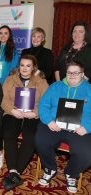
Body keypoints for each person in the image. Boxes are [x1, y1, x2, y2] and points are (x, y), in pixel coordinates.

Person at [35, 61, 91, 193]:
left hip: (79, 128)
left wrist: (87, 127)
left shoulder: (89, 89)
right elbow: (43, 105)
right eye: (69, 72)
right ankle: (50, 168)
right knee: (40, 140)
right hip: (55, 124)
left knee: (87, 153)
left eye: (76, 73)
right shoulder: (56, 86)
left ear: (82, 74)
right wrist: (49, 121)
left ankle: (72, 174)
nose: (72, 75)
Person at [1, 55, 48, 191]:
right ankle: (13, 171)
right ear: (18, 66)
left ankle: (15, 173)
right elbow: (3, 99)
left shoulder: (41, 81)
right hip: (12, 113)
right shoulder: (10, 79)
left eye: (28, 65)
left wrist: (34, 112)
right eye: (22, 65)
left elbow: (46, 101)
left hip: (32, 115)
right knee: (9, 134)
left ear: (33, 67)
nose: (24, 68)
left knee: (30, 137)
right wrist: (12, 110)